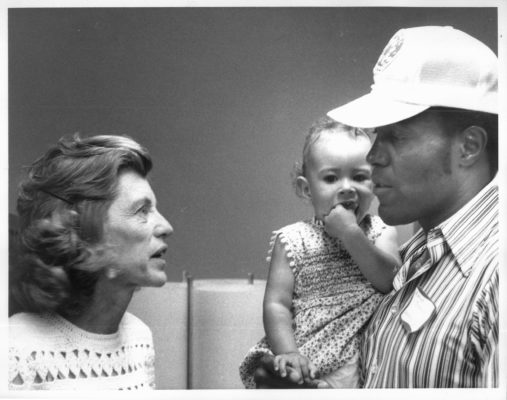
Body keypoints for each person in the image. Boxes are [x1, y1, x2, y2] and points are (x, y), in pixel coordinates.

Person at [254, 25, 498, 388]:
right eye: (376, 136)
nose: (373, 156)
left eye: (396, 136)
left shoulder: (494, 278)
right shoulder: (420, 252)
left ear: (469, 147)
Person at [239, 118, 400, 388]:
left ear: (374, 184)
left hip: (365, 360)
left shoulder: (382, 233)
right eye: (331, 178)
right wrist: (289, 352)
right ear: (306, 189)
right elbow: (277, 304)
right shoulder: (291, 239)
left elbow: (389, 281)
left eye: (360, 177)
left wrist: (351, 233)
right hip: (306, 356)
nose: (347, 187)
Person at [9, 134, 173, 390]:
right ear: (86, 235)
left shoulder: (140, 338)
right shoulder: (16, 348)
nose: (166, 227)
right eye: (142, 210)